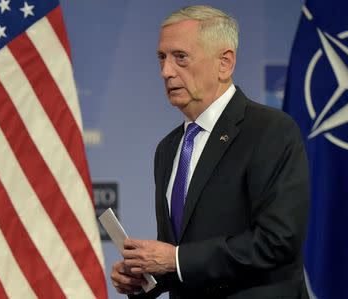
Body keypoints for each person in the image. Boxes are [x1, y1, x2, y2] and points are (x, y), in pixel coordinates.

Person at [111, 5, 310, 298]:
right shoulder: (168, 149)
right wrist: (145, 276)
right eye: (162, 58)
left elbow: (276, 241)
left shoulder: (271, 130)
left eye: (181, 57)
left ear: (224, 63)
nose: (166, 71)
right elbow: (179, 255)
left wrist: (175, 259)